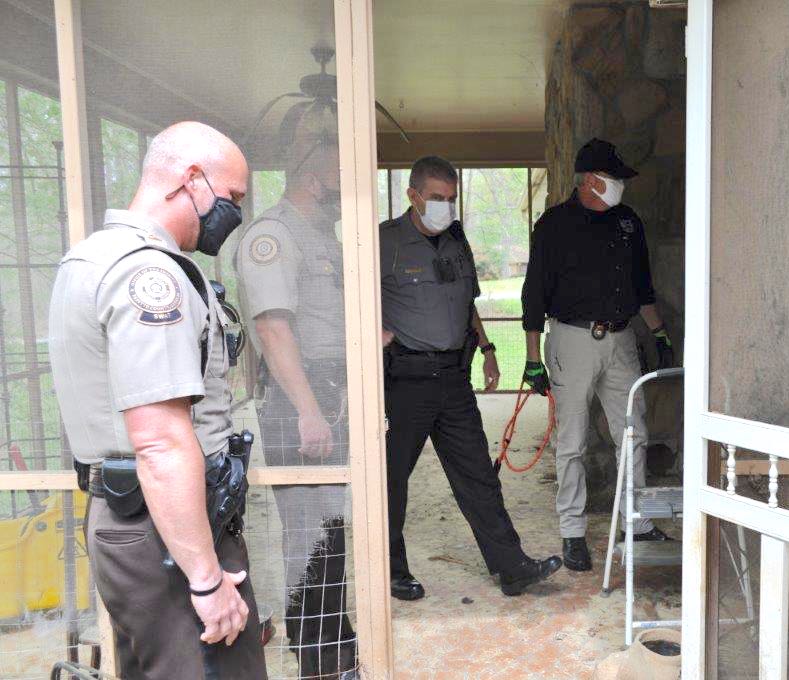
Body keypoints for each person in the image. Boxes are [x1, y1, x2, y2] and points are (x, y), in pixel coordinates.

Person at [48, 121, 266, 679]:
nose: (234, 213)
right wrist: (207, 580)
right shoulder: (148, 275)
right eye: (232, 198)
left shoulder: (90, 258)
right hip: (164, 531)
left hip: (141, 523)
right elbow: (161, 441)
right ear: (192, 180)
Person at [380, 155, 562, 599]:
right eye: (437, 198)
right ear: (413, 196)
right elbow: (350, 300)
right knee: (390, 480)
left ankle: (512, 566)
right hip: (404, 382)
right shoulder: (385, 242)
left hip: (454, 381)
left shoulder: (456, 241)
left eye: (451, 198)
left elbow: (467, 302)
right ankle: (391, 569)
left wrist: (487, 349)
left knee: (479, 475)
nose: (446, 206)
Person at [234, 101, 356, 678]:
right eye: (339, 175)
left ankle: (336, 638)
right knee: (308, 535)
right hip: (300, 399)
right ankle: (318, 660)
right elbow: (271, 327)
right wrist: (310, 411)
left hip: (326, 390)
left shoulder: (318, 234)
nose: (344, 186)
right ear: (314, 176)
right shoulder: (274, 235)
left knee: (330, 527)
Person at [520, 138, 675, 572]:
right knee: (571, 441)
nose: (620, 186)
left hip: (622, 340)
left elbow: (643, 287)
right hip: (571, 338)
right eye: (614, 179)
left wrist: (658, 333)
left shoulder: (628, 222)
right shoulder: (554, 225)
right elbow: (533, 295)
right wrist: (533, 357)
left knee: (634, 432)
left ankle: (637, 521)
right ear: (591, 181)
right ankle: (572, 531)